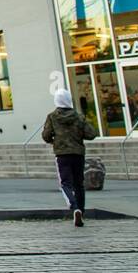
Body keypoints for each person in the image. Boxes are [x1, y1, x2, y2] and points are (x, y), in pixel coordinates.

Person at [42, 89, 97, 227]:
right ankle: (81, 212)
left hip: (62, 155)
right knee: (79, 184)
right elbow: (91, 134)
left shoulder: (52, 117)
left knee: (65, 183)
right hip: (78, 154)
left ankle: (74, 207)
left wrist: (54, 139)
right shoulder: (79, 116)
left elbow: (46, 135)